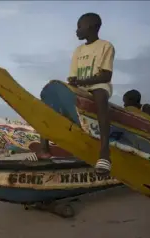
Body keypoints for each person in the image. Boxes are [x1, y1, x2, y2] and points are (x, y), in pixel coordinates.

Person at [42, 13, 115, 176]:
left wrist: (81, 81)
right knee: (51, 98)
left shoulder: (106, 46)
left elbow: (106, 76)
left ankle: (104, 153)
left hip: (98, 86)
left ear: (92, 27)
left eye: (79, 26)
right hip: (81, 87)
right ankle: (44, 148)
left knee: (101, 97)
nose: (76, 31)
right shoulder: (78, 50)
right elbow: (73, 77)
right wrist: (75, 81)